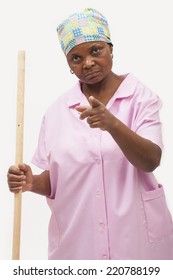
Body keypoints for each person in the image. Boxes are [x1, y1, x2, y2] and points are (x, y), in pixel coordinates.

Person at [7, 7, 173, 260]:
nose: (87, 63)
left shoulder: (141, 98)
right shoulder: (57, 112)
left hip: (135, 243)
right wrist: (33, 183)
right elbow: (59, 180)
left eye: (96, 50)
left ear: (111, 48)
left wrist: (112, 124)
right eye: (76, 58)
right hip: (79, 246)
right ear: (69, 64)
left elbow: (151, 160)